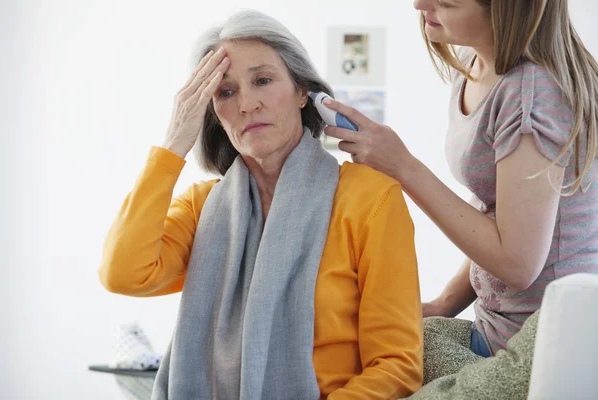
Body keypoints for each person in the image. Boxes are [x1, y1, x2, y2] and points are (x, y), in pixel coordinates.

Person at [98, 10, 423, 400]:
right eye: (226, 92)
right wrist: (172, 146)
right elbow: (122, 273)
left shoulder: (370, 199)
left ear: (303, 92)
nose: (247, 105)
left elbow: (397, 366)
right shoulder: (202, 209)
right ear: (213, 113)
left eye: (263, 80)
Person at [323, 0, 598, 383]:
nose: (419, 4)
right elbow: (495, 209)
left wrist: (403, 166)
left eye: (446, 0)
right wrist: (443, 305)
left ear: (506, 10)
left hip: (541, 357)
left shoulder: (532, 96)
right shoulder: (474, 63)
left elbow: (518, 264)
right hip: (494, 331)